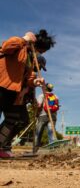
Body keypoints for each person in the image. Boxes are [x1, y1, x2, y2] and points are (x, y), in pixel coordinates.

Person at [0, 30, 55, 158]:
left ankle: (2, 145)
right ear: (36, 46)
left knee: (15, 118)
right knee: (15, 117)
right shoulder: (20, 46)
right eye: (41, 51)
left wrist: (35, 81)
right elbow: (6, 46)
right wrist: (24, 39)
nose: (40, 54)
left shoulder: (30, 59)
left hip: (11, 91)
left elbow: (28, 78)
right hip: (2, 85)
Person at [34, 83, 59, 151]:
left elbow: (39, 106)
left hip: (42, 116)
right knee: (51, 133)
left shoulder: (42, 95)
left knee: (38, 133)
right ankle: (53, 149)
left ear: (45, 88)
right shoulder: (55, 96)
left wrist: (36, 114)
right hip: (53, 116)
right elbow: (57, 106)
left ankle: (35, 149)